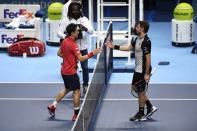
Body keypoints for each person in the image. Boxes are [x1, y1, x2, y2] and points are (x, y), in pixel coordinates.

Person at [47, 23, 101, 121]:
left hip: (64, 71)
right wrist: (93, 53)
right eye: (77, 30)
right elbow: (81, 58)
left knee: (67, 88)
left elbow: (59, 53)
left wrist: (69, 58)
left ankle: (53, 105)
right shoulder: (73, 44)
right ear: (72, 33)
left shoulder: (65, 41)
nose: (79, 32)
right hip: (71, 73)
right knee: (76, 91)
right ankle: (76, 115)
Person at [106, 21, 157, 121]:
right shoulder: (137, 39)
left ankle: (141, 114)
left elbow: (148, 59)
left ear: (142, 29)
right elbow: (129, 48)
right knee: (135, 88)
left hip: (142, 70)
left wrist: (146, 74)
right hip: (137, 69)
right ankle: (150, 106)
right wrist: (114, 46)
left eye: (137, 27)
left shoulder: (146, 41)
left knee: (140, 91)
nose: (135, 28)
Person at [57, 2, 94, 94]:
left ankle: (85, 85)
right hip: (70, 50)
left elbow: (92, 31)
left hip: (83, 48)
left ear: (80, 10)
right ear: (70, 10)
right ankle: (74, 87)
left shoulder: (84, 19)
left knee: (85, 68)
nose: (76, 11)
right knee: (72, 69)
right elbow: (58, 33)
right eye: (74, 10)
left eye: (77, 9)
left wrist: (84, 28)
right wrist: (66, 37)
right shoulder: (66, 20)